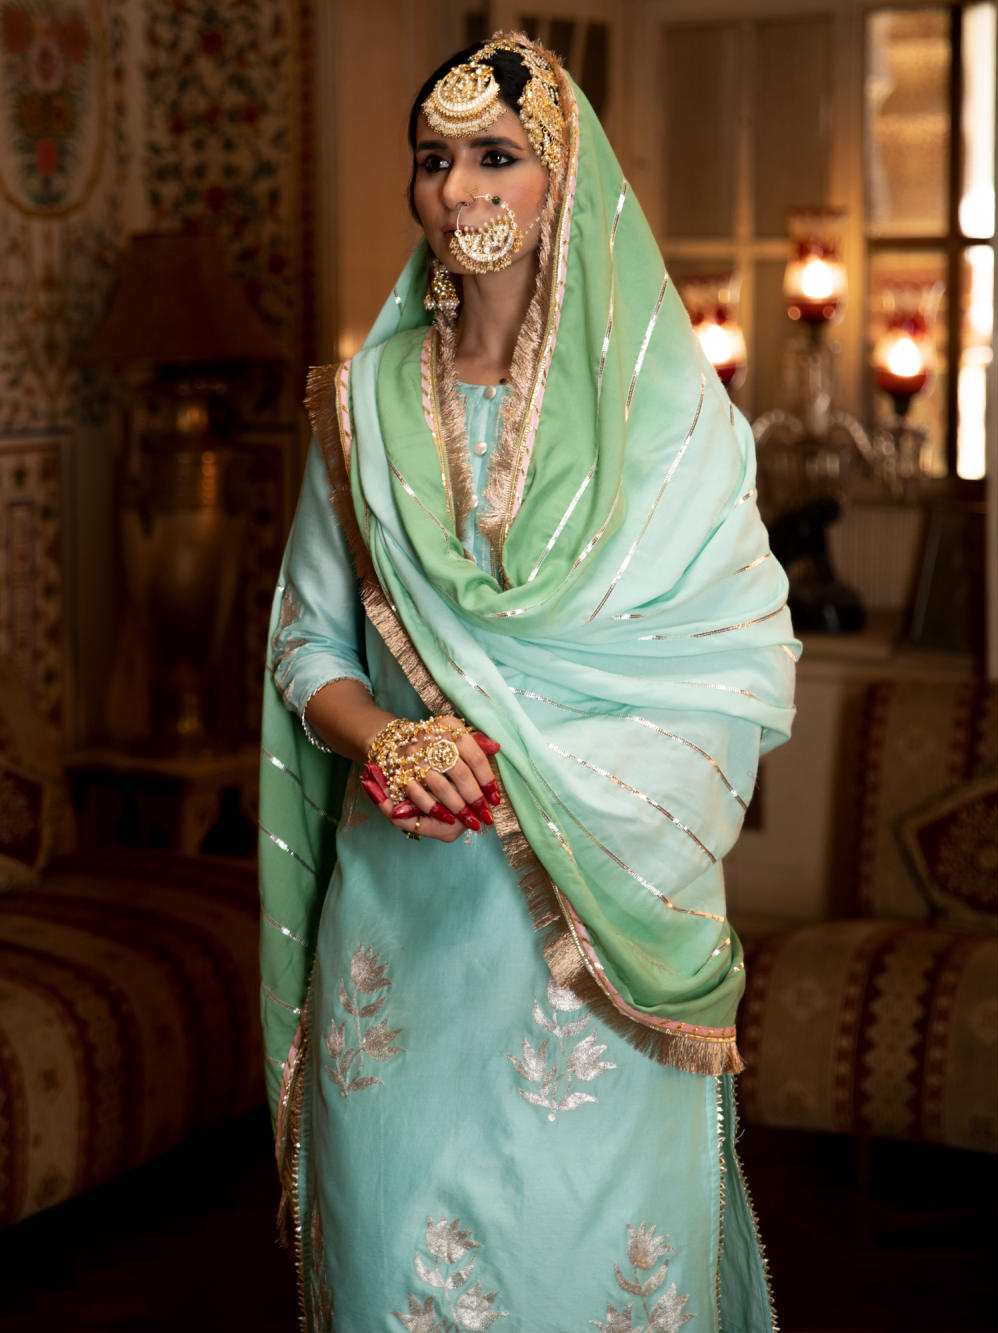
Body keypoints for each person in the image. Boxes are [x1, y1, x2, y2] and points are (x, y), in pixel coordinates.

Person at [259, 32, 798, 1333]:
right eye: (432, 159)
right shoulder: (362, 408)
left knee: (595, 1273)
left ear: (566, 180)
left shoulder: (670, 420)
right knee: (391, 1267)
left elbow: (736, 662)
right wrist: (388, 741)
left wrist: (557, 776)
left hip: (596, 934)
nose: (458, 189)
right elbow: (305, 646)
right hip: (405, 924)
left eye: (495, 156)